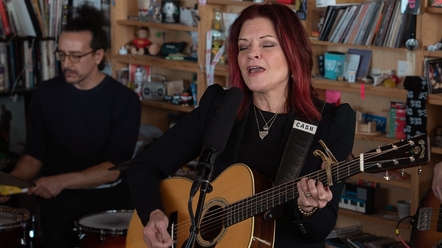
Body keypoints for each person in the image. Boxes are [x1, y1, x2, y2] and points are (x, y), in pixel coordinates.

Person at [127, 3, 355, 248]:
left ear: (294, 53)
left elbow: (320, 231)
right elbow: (144, 166)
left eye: (267, 44)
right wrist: (153, 213)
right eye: (244, 46)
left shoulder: (331, 123)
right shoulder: (221, 108)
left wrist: (309, 209)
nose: (251, 53)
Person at [0, 4, 141, 248]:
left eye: (75, 56)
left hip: (109, 197)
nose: (66, 63)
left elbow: (113, 167)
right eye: (62, 55)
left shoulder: (125, 100)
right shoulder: (45, 94)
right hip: (60, 199)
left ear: (98, 55)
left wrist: (59, 181)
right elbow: (34, 155)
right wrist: (9, 184)